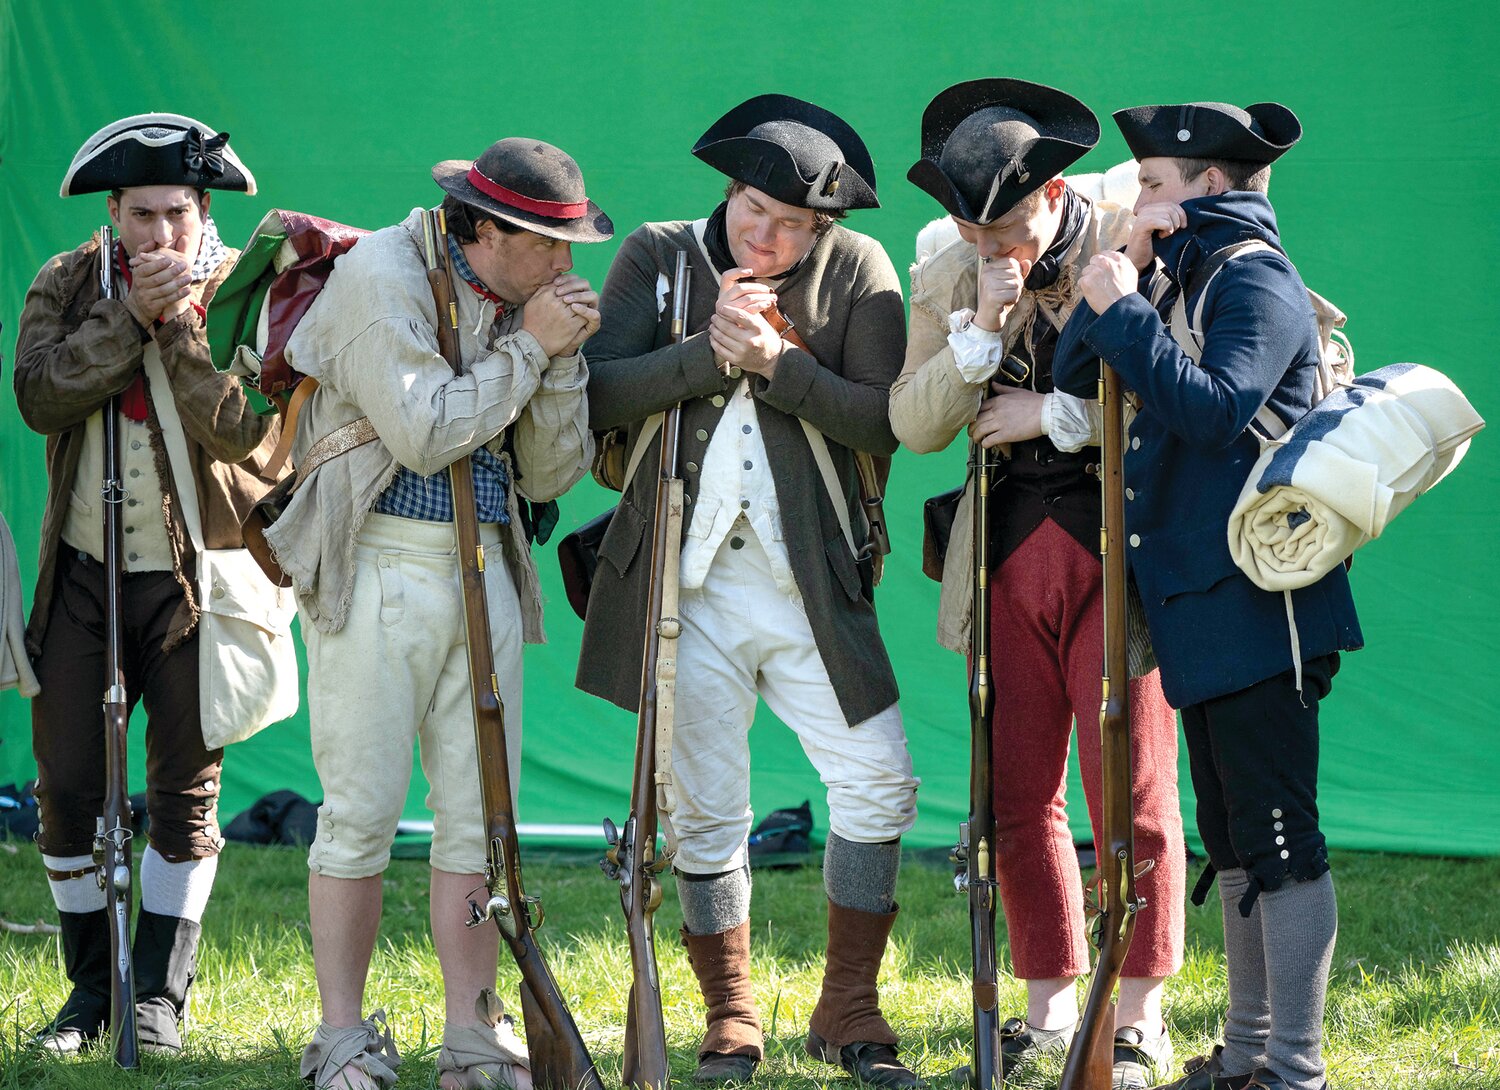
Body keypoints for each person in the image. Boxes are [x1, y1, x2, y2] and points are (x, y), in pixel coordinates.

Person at [577, 95, 919, 1088]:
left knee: (880, 780)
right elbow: (594, 389)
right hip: (685, 591)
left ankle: (847, 1005)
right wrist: (703, 354)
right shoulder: (658, 253)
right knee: (705, 809)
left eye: (791, 224)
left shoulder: (858, 272)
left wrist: (778, 366)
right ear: (726, 191)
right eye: (751, 210)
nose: (763, 235)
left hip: (812, 586)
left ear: (827, 227)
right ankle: (731, 1014)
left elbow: (886, 422)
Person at [263, 137, 610, 1090]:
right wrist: (535, 348)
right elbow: (422, 436)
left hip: (487, 560)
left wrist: (561, 359)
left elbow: (546, 473)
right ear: (489, 230)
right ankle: (339, 1037)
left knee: (478, 820)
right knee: (361, 814)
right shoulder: (383, 273)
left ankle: (472, 1034)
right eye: (550, 242)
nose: (566, 264)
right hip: (374, 560)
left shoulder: (520, 301)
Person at [1054, 101, 1363, 1090]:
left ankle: (1293, 1069)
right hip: (1199, 599)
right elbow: (1072, 373)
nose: (1133, 194)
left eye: (1151, 182)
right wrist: (1121, 273)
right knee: (1231, 835)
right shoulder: (1178, 269)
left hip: (1260, 603)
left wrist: (1129, 305)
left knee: (1279, 834)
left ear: (1213, 187)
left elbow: (1216, 409)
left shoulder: (1258, 278)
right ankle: (1248, 1053)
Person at [891, 79, 1185, 1089]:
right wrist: (980, 325)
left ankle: (1140, 1013)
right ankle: (1049, 1007)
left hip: (1125, 548)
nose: (990, 240)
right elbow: (915, 424)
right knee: (1016, 792)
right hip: (1004, 550)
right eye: (969, 223)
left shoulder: (1132, 229)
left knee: (1135, 787)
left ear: (1055, 190)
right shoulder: (947, 271)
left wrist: (1056, 417)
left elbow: (1195, 390)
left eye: (1007, 223)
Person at [14, 113, 270, 1053]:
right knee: (68, 786)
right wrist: (129, 316)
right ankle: (88, 994)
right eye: (141, 216)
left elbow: (244, 430)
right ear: (112, 214)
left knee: (184, 786)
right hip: (81, 572)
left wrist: (177, 329)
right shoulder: (67, 281)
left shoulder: (246, 285)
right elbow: (40, 396)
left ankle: (159, 994)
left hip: (199, 574)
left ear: (202, 211)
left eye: (176, 214)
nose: (160, 235)